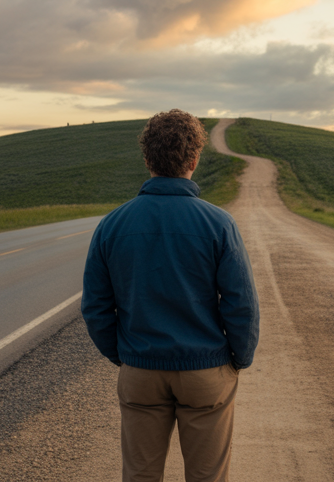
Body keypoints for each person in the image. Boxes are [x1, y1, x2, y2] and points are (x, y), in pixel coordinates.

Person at [81, 109, 259, 482]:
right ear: (194, 160)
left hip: (141, 370)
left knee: (140, 475)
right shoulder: (218, 223)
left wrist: (124, 356)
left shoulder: (112, 225)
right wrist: (238, 359)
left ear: (147, 159)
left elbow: (95, 307)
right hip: (205, 370)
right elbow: (241, 304)